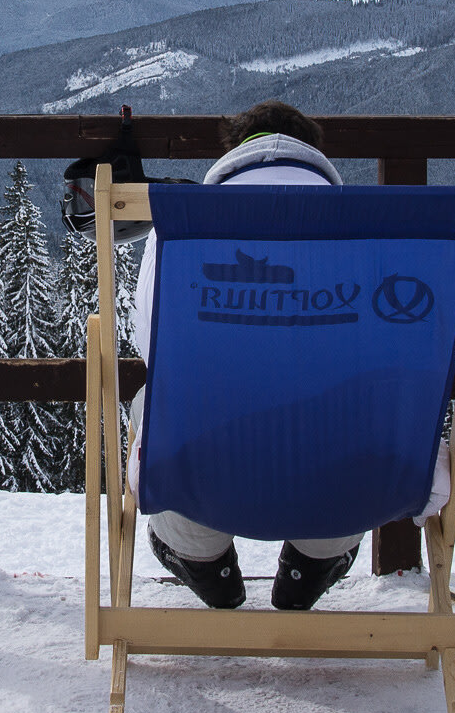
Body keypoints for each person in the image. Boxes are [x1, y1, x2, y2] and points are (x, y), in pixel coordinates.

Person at [132, 100, 369, 612]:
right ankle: (315, 560)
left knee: (150, 402)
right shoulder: (366, 231)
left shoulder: (183, 227)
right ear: (310, 152)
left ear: (237, 149)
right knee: (359, 405)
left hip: (209, 470)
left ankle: (201, 557)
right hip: (339, 477)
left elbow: (150, 342)